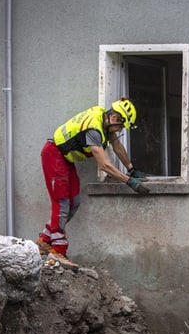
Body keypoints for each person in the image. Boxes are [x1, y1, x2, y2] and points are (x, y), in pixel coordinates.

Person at [36, 97, 149, 269]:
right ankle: (58, 251)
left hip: (65, 159)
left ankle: (44, 240)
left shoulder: (103, 118)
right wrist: (130, 182)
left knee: (74, 202)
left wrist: (131, 169)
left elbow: (116, 145)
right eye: (120, 126)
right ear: (114, 119)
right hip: (53, 155)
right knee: (62, 202)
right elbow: (104, 165)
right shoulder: (94, 130)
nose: (119, 131)